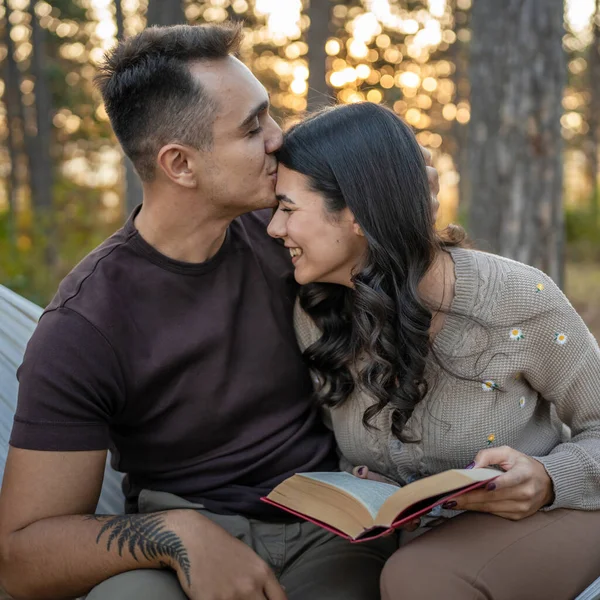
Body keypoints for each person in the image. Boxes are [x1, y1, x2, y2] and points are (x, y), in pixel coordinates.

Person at [0, 24, 424, 600]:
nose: (279, 139)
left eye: (270, 116)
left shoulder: (289, 236)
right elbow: (20, 556)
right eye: (253, 128)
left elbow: (416, 279)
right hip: (178, 541)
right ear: (180, 165)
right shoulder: (84, 326)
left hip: (331, 522)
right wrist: (175, 535)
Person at [267, 101, 600, 600]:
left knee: (420, 579)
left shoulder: (517, 299)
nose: (274, 228)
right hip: (402, 535)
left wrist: (550, 478)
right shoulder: (315, 311)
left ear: (356, 214)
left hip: (548, 515)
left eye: (288, 209)